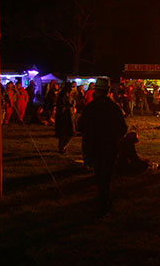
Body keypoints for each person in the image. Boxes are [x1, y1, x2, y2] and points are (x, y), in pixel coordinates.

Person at [79, 78, 127, 216]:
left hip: (94, 146)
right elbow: (122, 129)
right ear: (108, 91)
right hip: (110, 147)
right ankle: (104, 200)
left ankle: (101, 201)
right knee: (106, 176)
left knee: (99, 174)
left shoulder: (91, 107)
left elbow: (81, 126)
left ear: (96, 91)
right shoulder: (114, 108)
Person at [55, 83, 76, 154]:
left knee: (70, 133)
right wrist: (69, 105)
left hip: (69, 116)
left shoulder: (69, 95)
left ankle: (63, 146)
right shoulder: (62, 96)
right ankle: (62, 147)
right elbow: (61, 107)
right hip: (64, 117)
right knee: (64, 133)